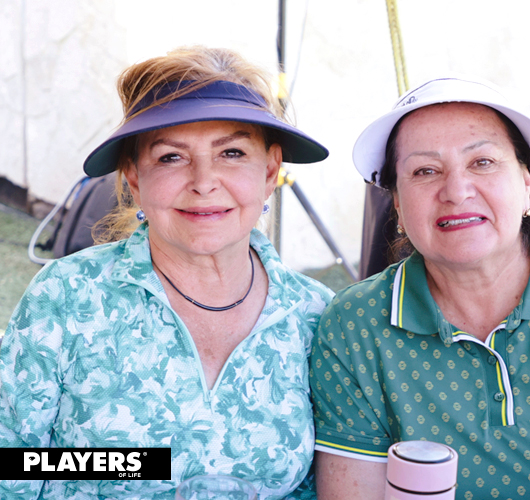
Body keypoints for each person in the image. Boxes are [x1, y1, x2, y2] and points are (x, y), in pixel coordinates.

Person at [0, 46, 332, 499]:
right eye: (171, 157)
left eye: (232, 152)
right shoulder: (68, 296)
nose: (203, 180)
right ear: (134, 177)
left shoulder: (316, 316)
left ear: (270, 170)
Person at [309, 76, 530, 499]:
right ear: (399, 206)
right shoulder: (356, 326)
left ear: (526, 182)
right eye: (425, 171)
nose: (457, 192)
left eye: (482, 162)